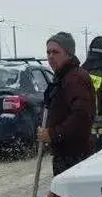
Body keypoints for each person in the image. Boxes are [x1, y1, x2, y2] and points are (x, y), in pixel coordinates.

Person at [39, 31, 96, 176]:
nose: (51, 56)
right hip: (66, 155)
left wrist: (53, 133)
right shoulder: (62, 78)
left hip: (75, 157)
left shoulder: (75, 79)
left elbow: (81, 117)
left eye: (56, 52)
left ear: (68, 54)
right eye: (48, 52)